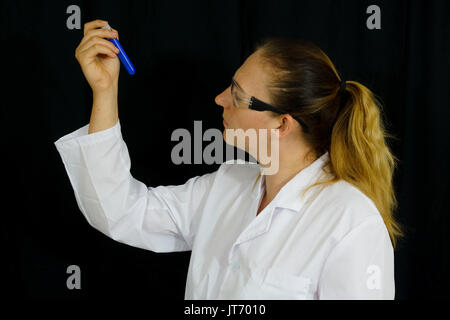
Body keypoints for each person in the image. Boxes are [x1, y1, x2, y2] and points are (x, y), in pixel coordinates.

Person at [54, 19, 404, 299]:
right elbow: (120, 212)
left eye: (237, 95)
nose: (220, 98)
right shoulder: (228, 184)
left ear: (282, 124)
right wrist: (104, 90)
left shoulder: (350, 223)